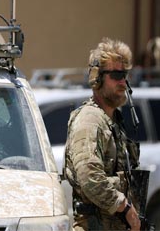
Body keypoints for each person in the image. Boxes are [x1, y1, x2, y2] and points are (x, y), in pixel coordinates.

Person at [64, 37, 141, 231]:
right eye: (116, 75)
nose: (123, 82)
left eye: (124, 75)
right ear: (97, 78)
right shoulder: (90, 120)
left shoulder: (113, 121)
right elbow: (89, 177)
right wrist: (124, 207)